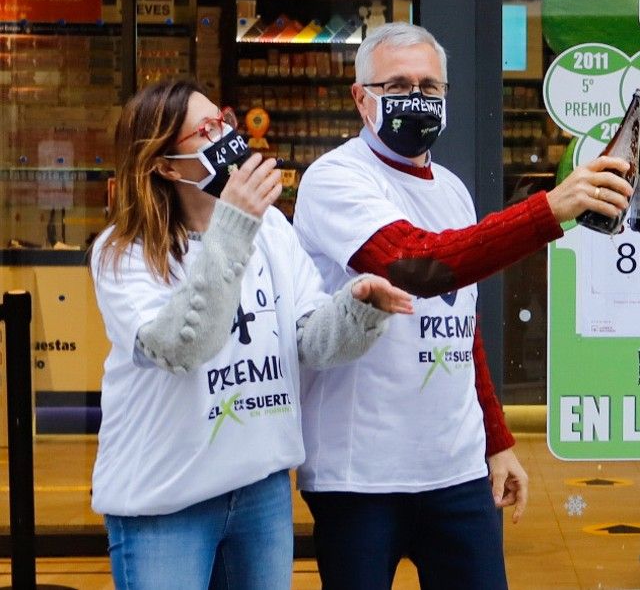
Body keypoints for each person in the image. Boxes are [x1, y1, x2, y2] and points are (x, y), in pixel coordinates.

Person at [291, 22, 633, 589]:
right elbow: (414, 266)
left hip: (456, 470)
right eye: (398, 83)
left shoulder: (450, 187)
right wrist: (550, 209)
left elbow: (459, 324)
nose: (416, 98)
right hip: (361, 477)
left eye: (430, 87)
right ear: (360, 97)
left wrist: (496, 442)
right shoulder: (335, 179)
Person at [90, 78, 415, 590]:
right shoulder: (123, 252)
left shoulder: (273, 230)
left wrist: (358, 310)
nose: (223, 135)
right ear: (166, 166)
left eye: (223, 120)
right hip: (165, 499)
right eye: (205, 131)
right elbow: (179, 347)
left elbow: (308, 340)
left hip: (259, 485)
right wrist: (236, 224)